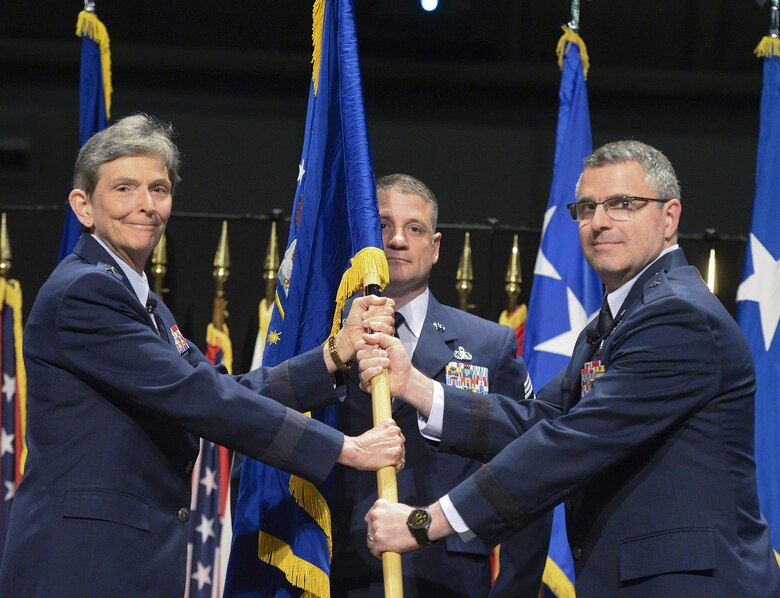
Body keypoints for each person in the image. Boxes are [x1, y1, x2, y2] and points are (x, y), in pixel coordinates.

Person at [0, 114, 405, 597]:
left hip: (124, 562)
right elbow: (199, 396)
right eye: (124, 189)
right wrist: (346, 449)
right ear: (83, 206)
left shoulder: (141, 300)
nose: (146, 205)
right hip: (82, 566)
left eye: (159, 189)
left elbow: (222, 387)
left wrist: (334, 353)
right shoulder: (86, 291)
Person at [361, 141, 780, 597]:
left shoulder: (678, 316)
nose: (600, 221)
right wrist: (418, 388)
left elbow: (574, 441)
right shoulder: (612, 322)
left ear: (669, 217)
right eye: (587, 207)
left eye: (623, 204)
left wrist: (427, 521)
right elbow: (541, 421)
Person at [330, 174, 551, 597]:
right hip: (338, 572)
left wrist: (514, 590)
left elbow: (531, 469)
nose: (397, 240)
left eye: (414, 229)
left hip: (451, 580)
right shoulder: (324, 343)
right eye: (382, 225)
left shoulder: (490, 345)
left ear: (434, 247)